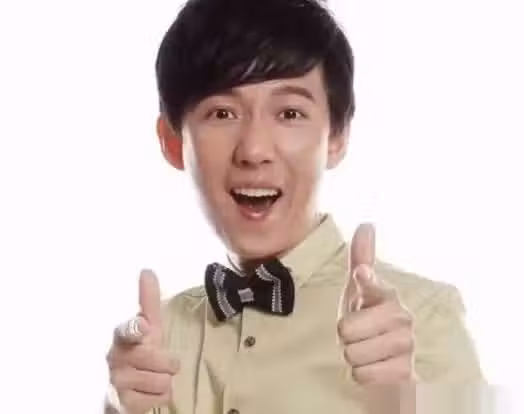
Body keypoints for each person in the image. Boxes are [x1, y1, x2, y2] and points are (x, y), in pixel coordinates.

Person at [104, 0, 486, 413]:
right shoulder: (156, 344)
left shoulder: (423, 319)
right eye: (222, 113)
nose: (253, 150)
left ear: (337, 137)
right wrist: (119, 405)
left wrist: (404, 398)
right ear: (172, 141)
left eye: (289, 113)